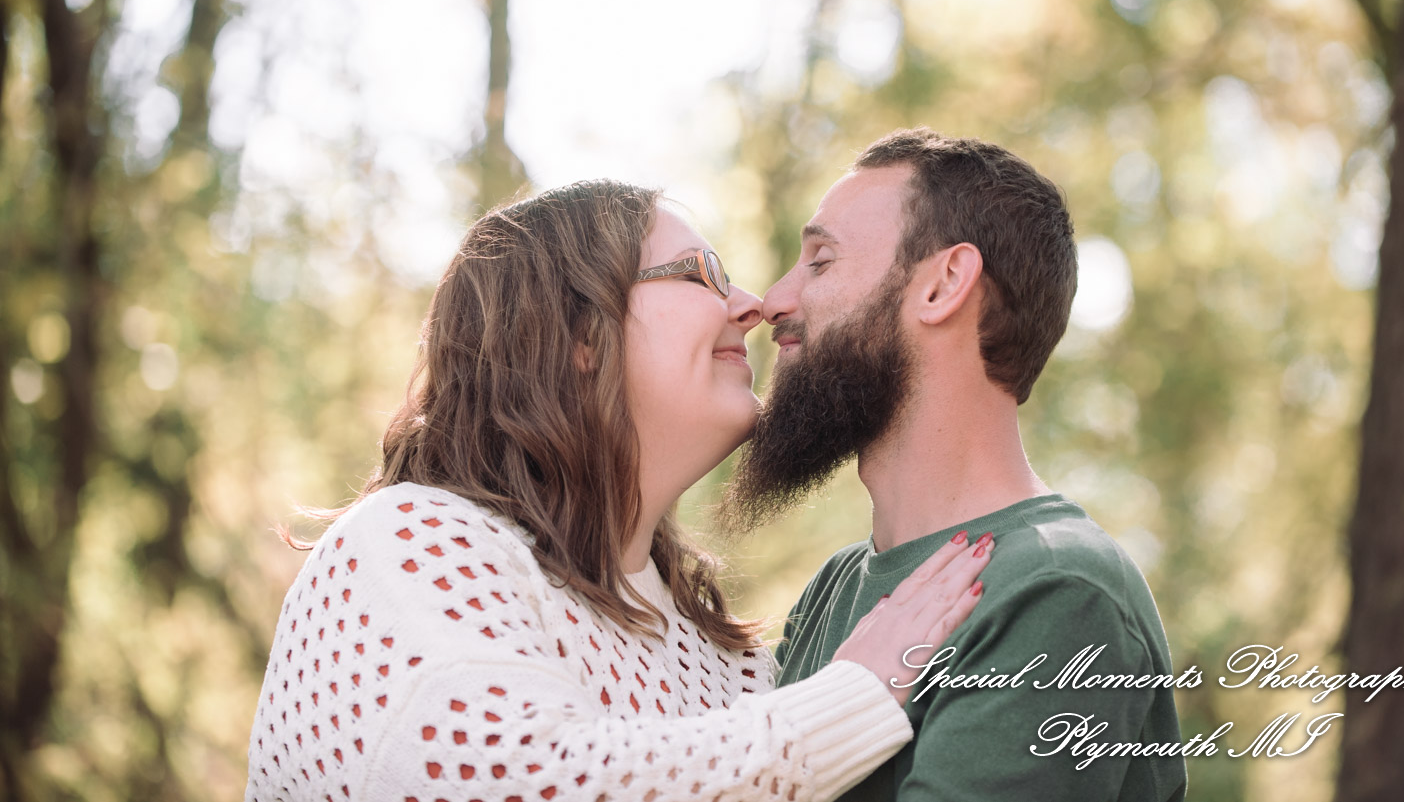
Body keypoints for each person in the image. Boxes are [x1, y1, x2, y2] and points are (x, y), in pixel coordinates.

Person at [244, 179, 992, 802]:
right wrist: (854, 694)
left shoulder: (724, 658)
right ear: (579, 333)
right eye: (700, 273)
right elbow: (521, 782)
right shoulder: (405, 543)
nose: (754, 303)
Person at [724, 129, 1188, 801]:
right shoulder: (836, 587)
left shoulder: (1057, 590)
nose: (774, 299)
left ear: (943, 285)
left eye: (820, 262)